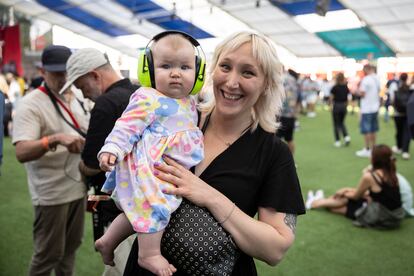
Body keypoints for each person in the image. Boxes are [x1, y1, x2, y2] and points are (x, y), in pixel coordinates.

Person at [124, 30, 306, 275]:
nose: (231, 82)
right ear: (209, 71)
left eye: (248, 72)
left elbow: (275, 250)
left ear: (266, 85)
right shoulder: (179, 118)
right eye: (225, 66)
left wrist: (211, 197)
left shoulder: (274, 152)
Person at [97, 32, 205, 275]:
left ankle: (108, 241)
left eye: (185, 67)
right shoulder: (148, 96)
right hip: (150, 168)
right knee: (153, 207)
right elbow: (126, 125)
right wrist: (112, 148)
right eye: (166, 66)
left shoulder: (190, 100)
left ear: (198, 73)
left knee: (139, 210)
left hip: (168, 168)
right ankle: (149, 254)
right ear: (148, 70)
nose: (176, 73)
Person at [58, 47, 140, 276]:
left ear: (95, 76)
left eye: (82, 87)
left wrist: (82, 162)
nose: (84, 95)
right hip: (143, 208)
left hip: (116, 211)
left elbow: (92, 164)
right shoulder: (141, 93)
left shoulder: (105, 104)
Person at [12, 45, 89, 275]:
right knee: (48, 255)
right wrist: (53, 139)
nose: (64, 78)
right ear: (42, 71)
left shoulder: (77, 97)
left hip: (77, 187)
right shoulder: (31, 103)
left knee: (71, 249)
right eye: (57, 73)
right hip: (51, 194)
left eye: (67, 72)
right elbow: (22, 151)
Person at [306, 144, 405, 229]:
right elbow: (375, 193)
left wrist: (344, 192)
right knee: (343, 199)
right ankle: (319, 201)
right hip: (396, 213)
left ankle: (313, 203)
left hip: (383, 216)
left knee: (337, 205)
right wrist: (347, 190)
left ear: (375, 159)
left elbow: (356, 196)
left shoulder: (370, 176)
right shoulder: (391, 172)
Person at [355, 64, 381, 158]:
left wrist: (356, 90)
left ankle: (367, 149)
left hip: (367, 108)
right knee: (373, 129)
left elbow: (362, 93)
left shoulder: (366, 80)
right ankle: (373, 148)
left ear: (367, 69)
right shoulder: (377, 78)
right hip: (375, 107)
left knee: (367, 130)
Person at [277, 68, 300, 154]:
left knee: (276, 140)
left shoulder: (279, 79)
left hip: (279, 114)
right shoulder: (294, 81)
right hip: (291, 115)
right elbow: (299, 98)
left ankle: (276, 164)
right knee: (289, 139)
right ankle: (292, 162)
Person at [390, 73, 411, 160]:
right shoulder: (410, 88)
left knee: (399, 131)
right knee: (406, 132)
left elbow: (392, 100)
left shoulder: (395, 86)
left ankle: (399, 147)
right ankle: (405, 150)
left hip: (398, 113)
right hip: (408, 113)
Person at [330, 72, 351, 147]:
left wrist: (330, 105)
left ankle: (337, 140)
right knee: (342, 122)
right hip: (343, 106)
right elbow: (348, 98)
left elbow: (331, 98)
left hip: (337, 106)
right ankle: (346, 137)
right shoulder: (345, 87)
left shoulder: (335, 87)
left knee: (336, 124)